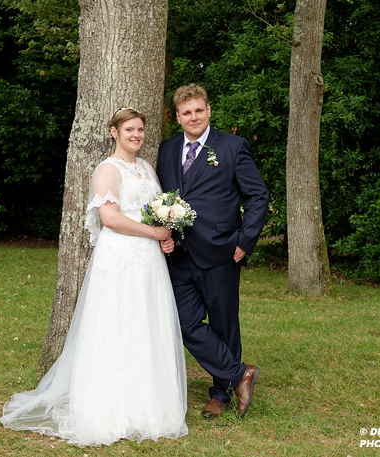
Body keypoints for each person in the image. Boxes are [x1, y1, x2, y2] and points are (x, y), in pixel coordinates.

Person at [0, 108, 188, 447]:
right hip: (121, 257)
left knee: (145, 323)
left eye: (141, 130)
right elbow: (111, 218)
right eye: (129, 129)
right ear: (114, 132)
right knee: (117, 325)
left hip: (148, 260)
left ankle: (147, 405)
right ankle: (110, 409)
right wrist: (153, 232)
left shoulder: (146, 168)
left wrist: (166, 234)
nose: (137, 135)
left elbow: (156, 208)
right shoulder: (107, 169)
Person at [157, 84, 269, 419]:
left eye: (198, 110)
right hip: (178, 253)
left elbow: (258, 196)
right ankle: (240, 374)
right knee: (183, 321)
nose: (193, 117)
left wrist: (244, 242)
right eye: (186, 112)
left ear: (209, 111)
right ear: (177, 117)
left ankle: (220, 395)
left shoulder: (232, 147)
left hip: (222, 252)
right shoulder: (166, 150)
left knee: (223, 324)